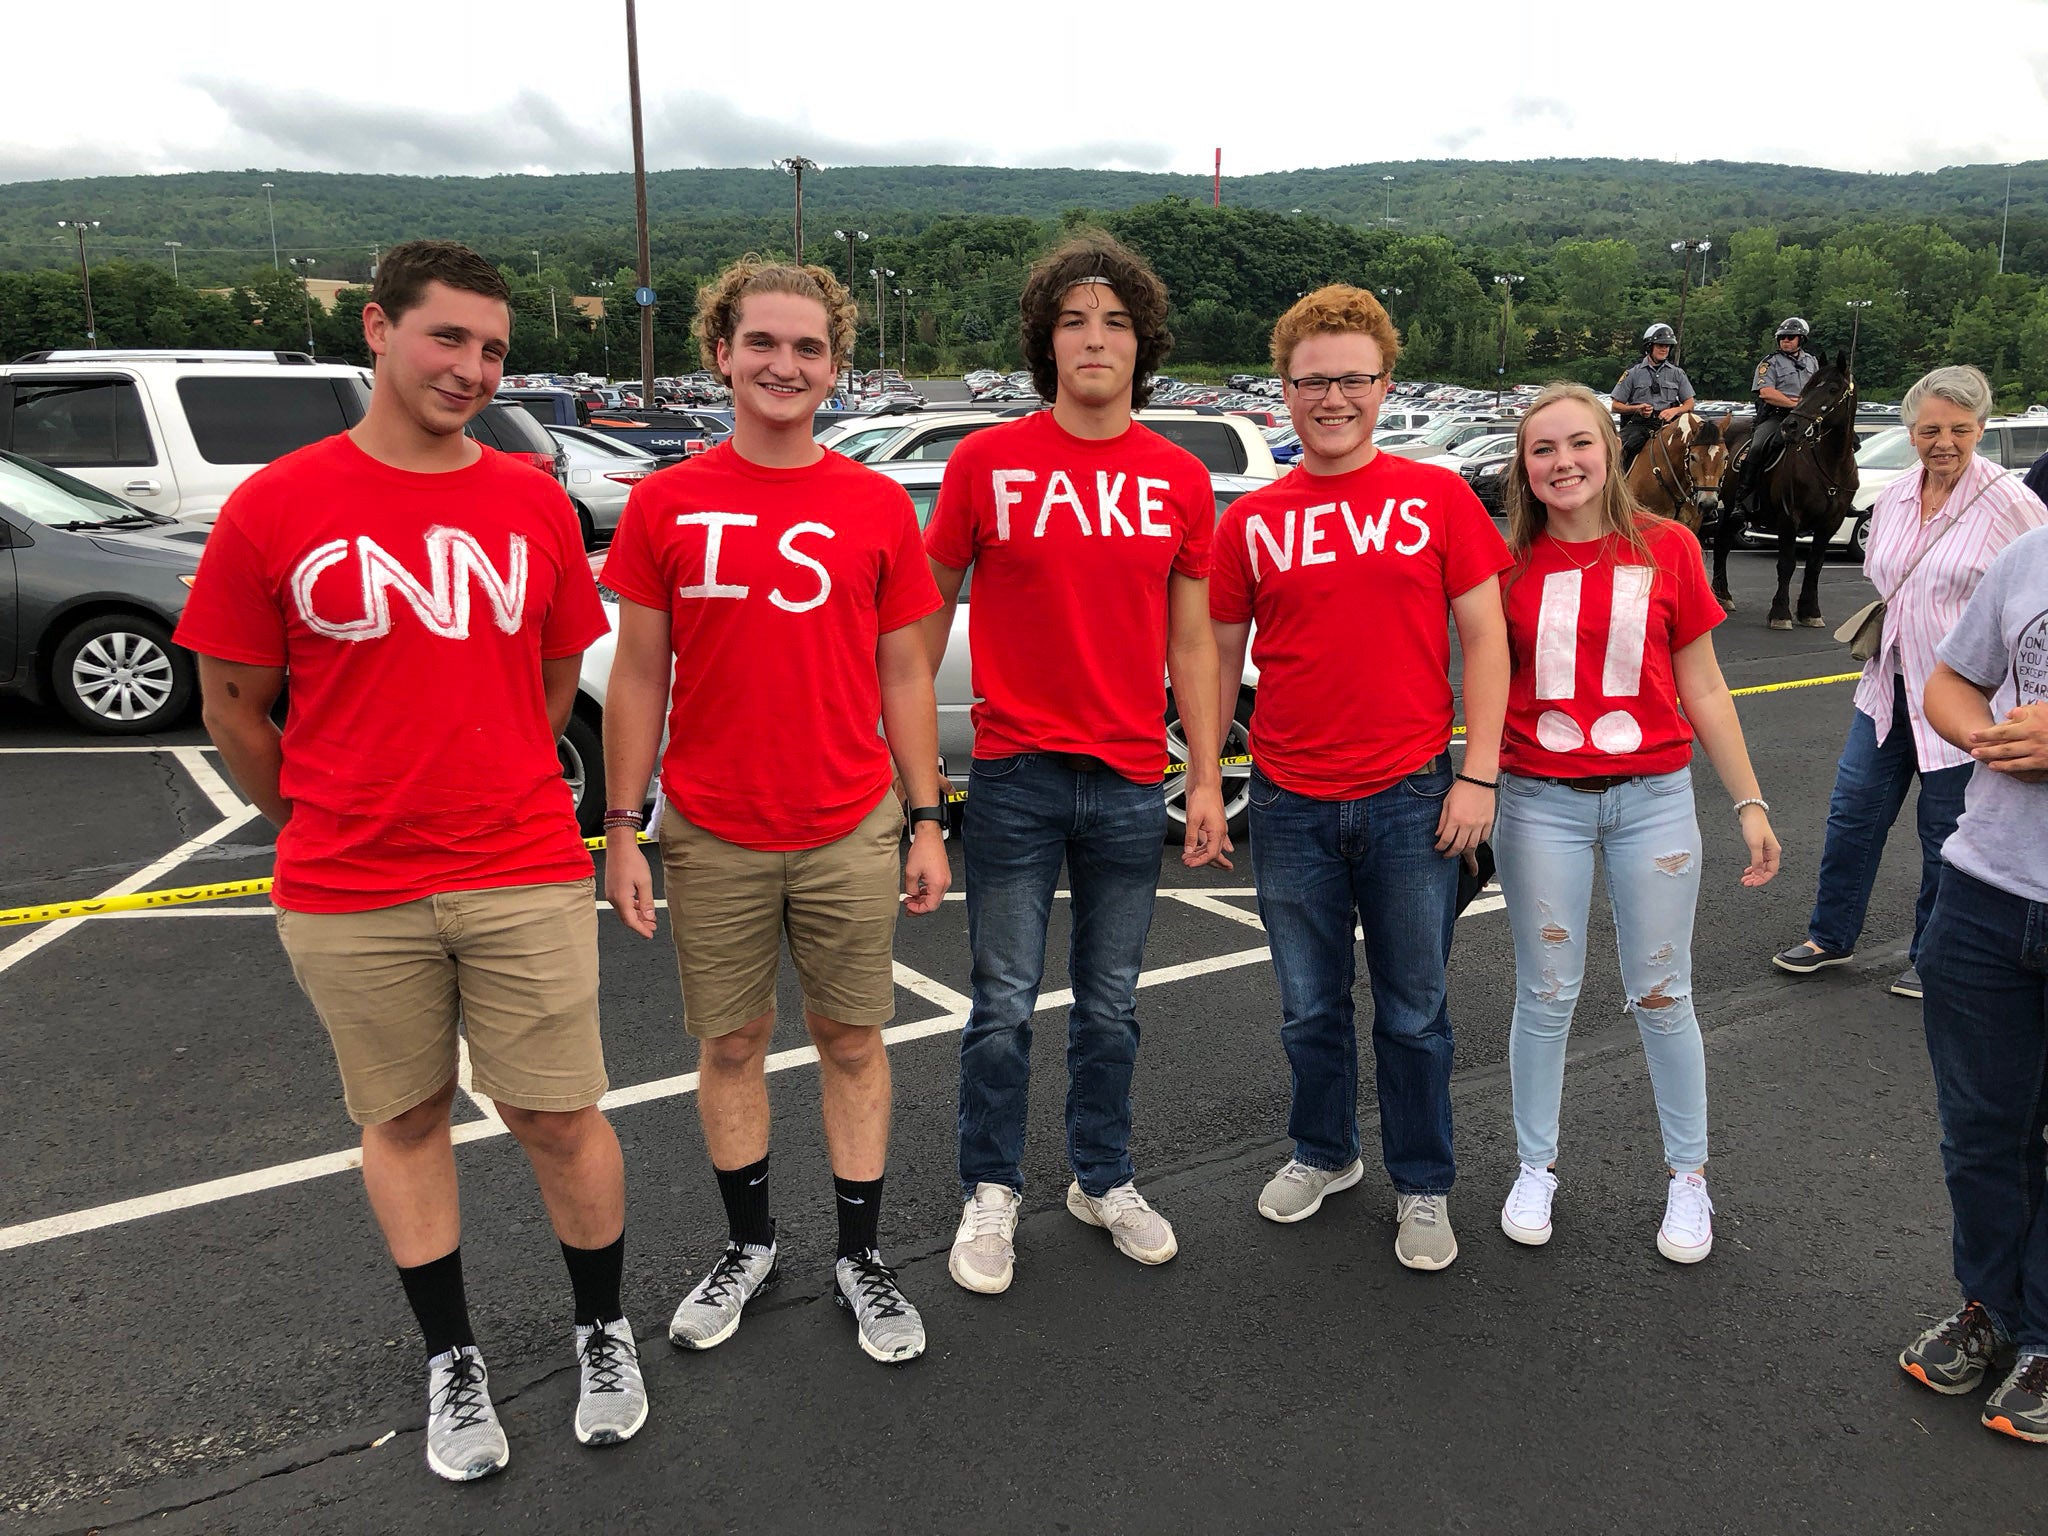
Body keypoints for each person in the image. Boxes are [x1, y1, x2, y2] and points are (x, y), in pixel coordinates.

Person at [174, 239, 643, 1482]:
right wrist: (317, 814)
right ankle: (453, 1359)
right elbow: (233, 705)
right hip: (347, 884)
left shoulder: (529, 495)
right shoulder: (278, 502)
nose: (473, 368)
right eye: (449, 338)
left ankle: (603, 1328)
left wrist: (485, 770)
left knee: (555, 1112)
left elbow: (554, 672)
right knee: (406, 1116)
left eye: (492, 349)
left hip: (522, 863)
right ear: (378, 330)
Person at [600, 258, 949, 1364]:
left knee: (852, 1040)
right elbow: (638, 675)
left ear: (835, 368)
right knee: (733, 1042)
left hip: (850, 821)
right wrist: (622, 828)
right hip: (709, 825)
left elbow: (904, 677)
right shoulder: (664, 500)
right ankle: (748, 1246)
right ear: (721, 352)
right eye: (762, 343)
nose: (782, 365)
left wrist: (927, 816)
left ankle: (861, 1256)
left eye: (807, 349)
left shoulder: (874, 504)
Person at [925, 231, 1230, 1295]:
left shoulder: (1178, 479)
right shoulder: (984, 463)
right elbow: (922, 621)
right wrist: (905, 774)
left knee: (1110, 1003)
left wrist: (1200, 777)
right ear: (1043, 342)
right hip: (1011, 773)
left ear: (1140, 345)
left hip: (1125, 779)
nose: (1093, 339)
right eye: (1071, 321)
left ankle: (1101, 1176)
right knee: (1001, 1003)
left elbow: (1193, 641)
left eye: (1114, 322)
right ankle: (990, 1189)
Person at [1209, 285, 1510, 1271]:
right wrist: (1208, 781)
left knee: (1414, 1013)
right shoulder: (1249, 519)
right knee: (1307, 1007)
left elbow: (1484, 639)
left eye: (1350, 379)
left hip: (1411, 796)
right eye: (1310, 381)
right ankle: (1324, 1151)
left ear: (1382, 385)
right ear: (1282, 390)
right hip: (1291, 801)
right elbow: (1217, 659)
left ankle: (1422, 1186)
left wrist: (1478, 776)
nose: (1330, 398)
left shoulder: (1435, 499)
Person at [1489, 382, 1781, 1262]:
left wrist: (1750, 800)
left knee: (1663, 994)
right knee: (1545, 995)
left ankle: (1688, 1177)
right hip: (1540, 801)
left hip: (1653, 798)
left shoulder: (1670, 549)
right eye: (1543, 449)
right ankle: (1535, 1164)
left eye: (1579, 444)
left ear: (1610, 451)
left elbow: (1703, 686)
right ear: (1523, 466)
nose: (1563, 463)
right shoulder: (1502, 562)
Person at [1773, 366, 2047, 998]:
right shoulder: (1895, 495)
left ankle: (1932, 955)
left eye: (1958, 429)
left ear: (1980, 428)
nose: (1942, 442)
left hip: (1965, 700)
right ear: (1911, 431)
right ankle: (1829, 936)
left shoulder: (2012, 503)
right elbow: (1882, 573)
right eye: (1929, 430)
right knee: (1851, 816)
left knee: (1944, 830)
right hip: (1887, 689)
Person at [1903, 523, 2048, 1442]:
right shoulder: (2033, 555)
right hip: (1988, 888)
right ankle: (1990, 1308)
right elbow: (1952, 679)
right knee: (1982, 1131)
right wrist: (1984, 735)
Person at [1724, 316, 1820, 517]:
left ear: (1801, 340)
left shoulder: (1812, 361)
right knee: (1757, 448)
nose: (1786, 340)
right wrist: (1794, 403)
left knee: (1843, 441)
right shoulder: (1769, 363)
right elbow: (1766, 392)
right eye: (1782, 337)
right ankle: (1742, 500)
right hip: (1776, 417)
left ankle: (1841, 498)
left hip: (1806, 417)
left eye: (1791, 337)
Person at [1611, 323, 1697, 471]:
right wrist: (1637, 409)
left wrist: (1674, 411)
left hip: (1669, 423)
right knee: (1620, 448)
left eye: (1667, 346)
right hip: (1640, 424)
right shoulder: (1632, 373)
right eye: (1660, 345)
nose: (1664, 349)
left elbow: (1690, 403)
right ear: (1649, 347)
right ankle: (1618, 485)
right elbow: (1615, 405)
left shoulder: (1677, 373)